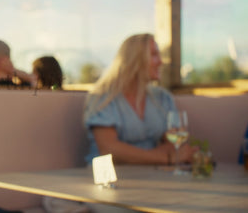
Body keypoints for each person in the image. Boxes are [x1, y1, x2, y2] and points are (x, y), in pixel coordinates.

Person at [84, 33, 197, 165]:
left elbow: (176, 143)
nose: (161, 62)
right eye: (154, 55)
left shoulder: (162, 98)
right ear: (135, 59)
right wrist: (167, 158)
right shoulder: (103, 97)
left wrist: (140, 157)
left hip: (152, 175)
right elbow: (109, 150)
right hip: (109, 179)